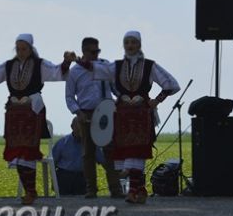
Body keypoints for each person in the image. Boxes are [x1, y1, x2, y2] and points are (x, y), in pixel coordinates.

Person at [0, 34, 76, 205]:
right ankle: (30, 191)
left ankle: (30, 192)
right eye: (18, 49)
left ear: (30, 49)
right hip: (14, 113)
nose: (21, 52)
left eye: (24, 48)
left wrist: (67, 61)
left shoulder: (40, 65)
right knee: (17, 154)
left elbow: (57, 72)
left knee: (28, 152)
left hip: (32, 111)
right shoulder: (9, 66)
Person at [85, 30, 180, 204]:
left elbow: (172, 85)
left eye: (133, 42)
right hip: (122, 115)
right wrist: (77, 61)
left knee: (137, 151)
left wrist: (157, 100)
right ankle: (139, 190)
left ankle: (133, 191)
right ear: (124, 45)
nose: (130, 45)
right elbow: (97, 70)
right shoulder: (117, 66)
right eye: (127, 42)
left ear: (139, 45)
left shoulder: (149, 66)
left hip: (141, 115)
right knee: (126, 152)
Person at [65, 37, 123, 198]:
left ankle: (115, 189)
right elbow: (69, 97)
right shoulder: (74, 72)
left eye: (98, 51)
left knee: (110, 151)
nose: (96, 54)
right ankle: (91, 189)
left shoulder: (104, 66)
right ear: (84, 51)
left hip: (107, 111)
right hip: (86, 113)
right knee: (88, 153)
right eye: (93, 52)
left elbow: (116, 89)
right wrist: (78, 113)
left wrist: (124, 99)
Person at [52, 117, 111, 195]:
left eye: (82, 127)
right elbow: (52, 163)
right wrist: (53, 182)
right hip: (65, 177)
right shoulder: (62, 143)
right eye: (78, 127)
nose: (81, 130)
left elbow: (102, 161)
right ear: (72, 127)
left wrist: (114, 175)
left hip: (83, 177)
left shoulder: (92, 144)